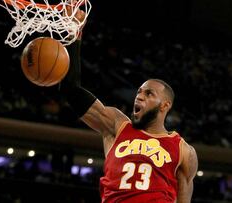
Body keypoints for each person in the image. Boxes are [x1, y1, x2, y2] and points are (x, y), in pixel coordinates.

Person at [62, 9, 198, 203]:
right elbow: (71, 90)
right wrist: (73, 31)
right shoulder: (117, 126)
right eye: (139, 92)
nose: (139, 97)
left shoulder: (184, 151)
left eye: (149, 93)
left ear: (165, 105)